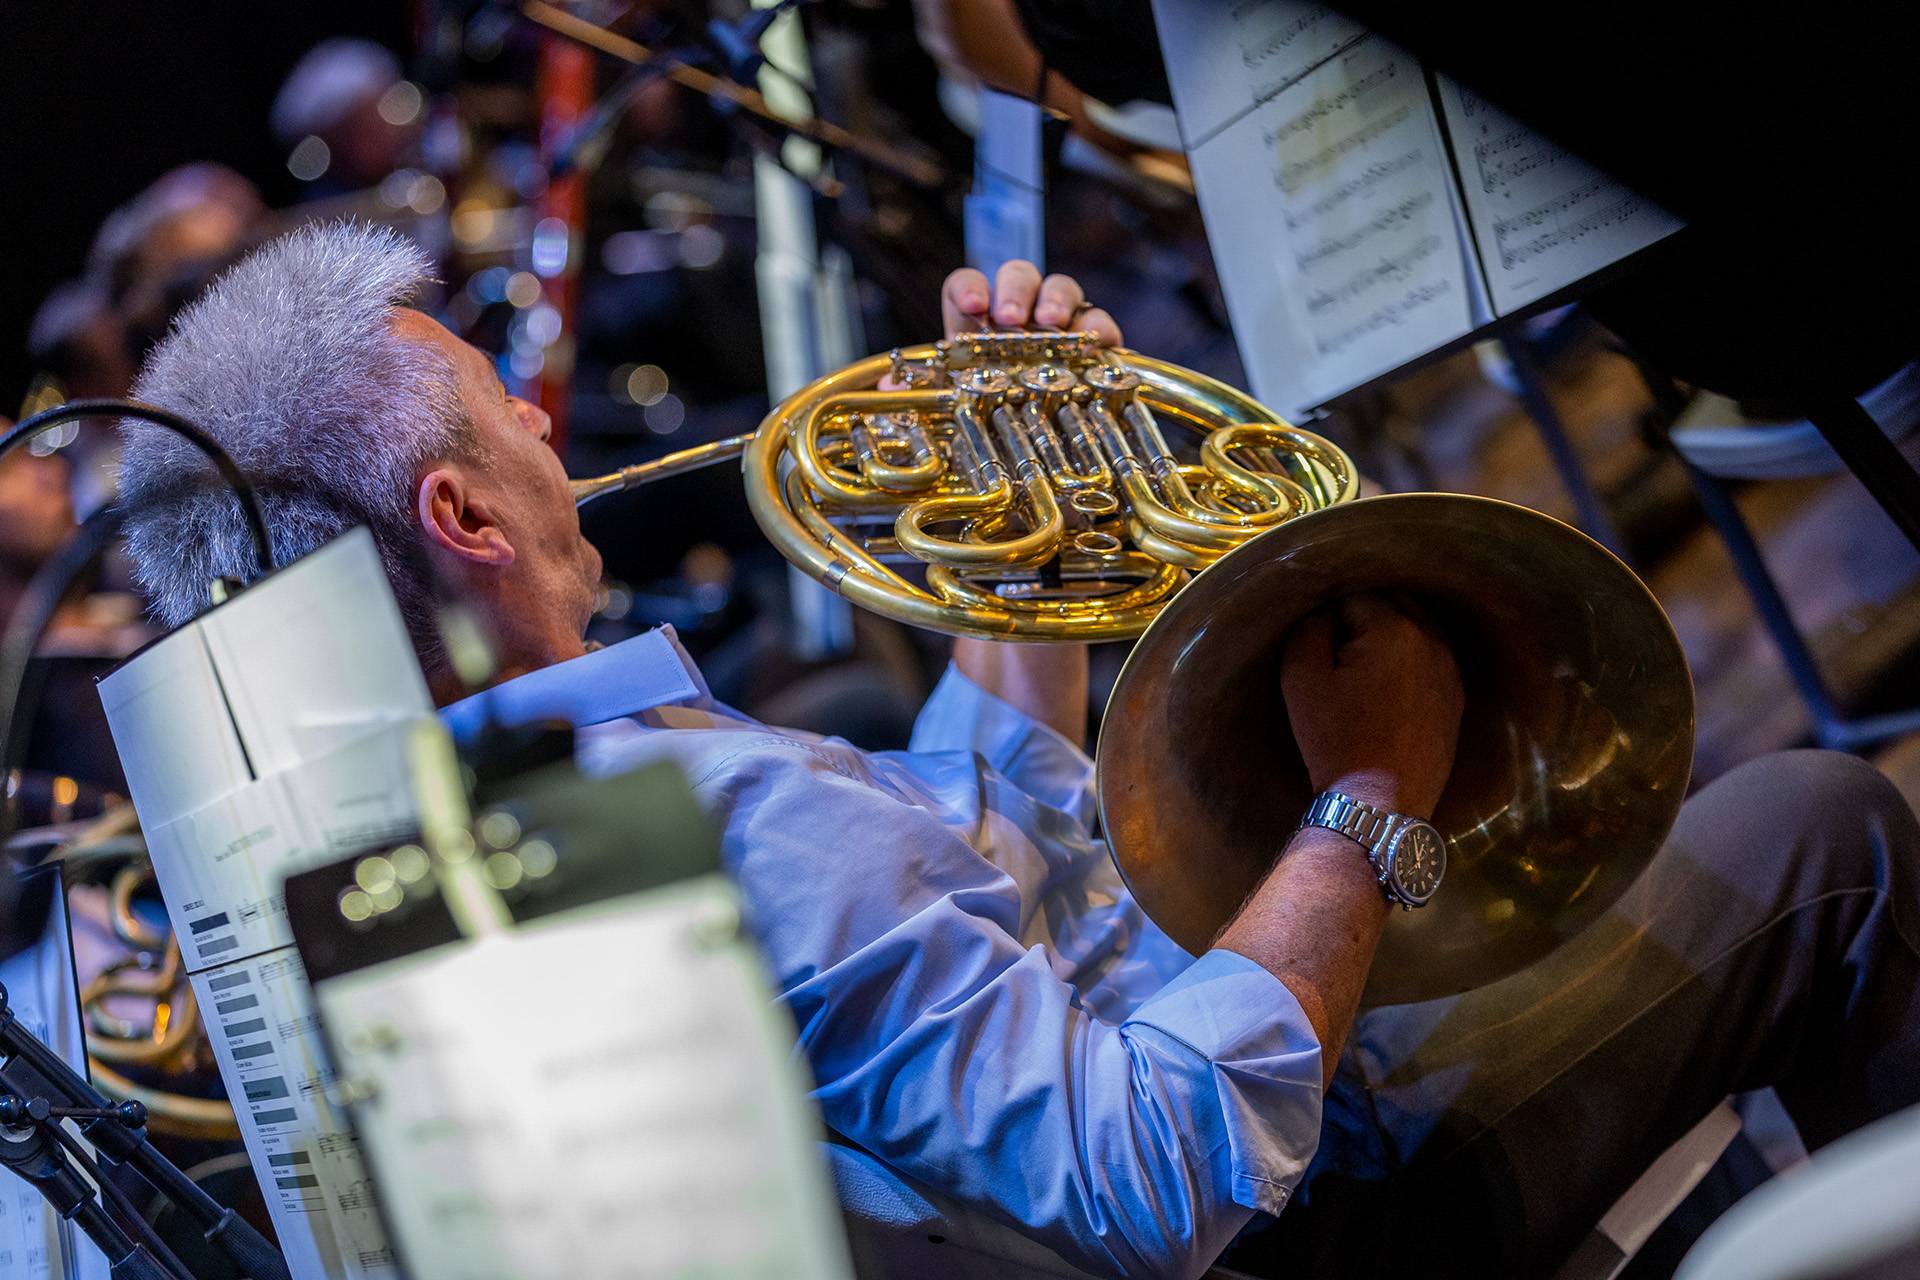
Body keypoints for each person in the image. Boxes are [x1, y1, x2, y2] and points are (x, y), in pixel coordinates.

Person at [116, 223, 1920, 1279]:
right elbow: (1163, 1170)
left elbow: (941, 901)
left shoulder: (467, 844)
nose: (538, 411)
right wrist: (1369, 800)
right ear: (466, 517)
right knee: (1836, 829)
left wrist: (1024, 538)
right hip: (1295, 1218)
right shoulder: (698, 825)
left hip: (1136, 1076)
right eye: (498, 404)